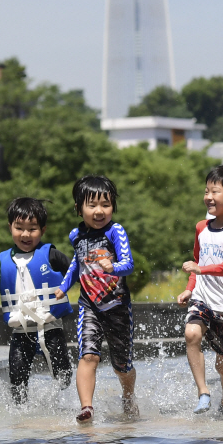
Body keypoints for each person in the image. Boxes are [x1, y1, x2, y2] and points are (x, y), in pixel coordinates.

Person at [0, 198, 73, 403]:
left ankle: (61, 409)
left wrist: (69, 288)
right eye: (19, 228)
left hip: (51, 326)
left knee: (63, 377)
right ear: (10, 227)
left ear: (43, 229)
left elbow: (76, 271)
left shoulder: (51, 255)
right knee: (17, 382)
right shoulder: (3, 260)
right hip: (20, 330)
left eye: (32, 229)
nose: (25, 234)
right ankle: (23, 423)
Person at [54, 176, 136, 423]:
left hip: (117, 306)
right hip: (88, 306)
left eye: (106, 204)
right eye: (92, 205)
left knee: (122, 365)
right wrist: (64, 286)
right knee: (88, 355)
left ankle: (129, 396)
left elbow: (128, 264)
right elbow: (75, 265)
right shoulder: (76, 235)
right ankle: (86, 408)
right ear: (79, 208)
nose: (99, 211)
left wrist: (113, 267)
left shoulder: (115, 231)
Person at [177, 163, 223, 415]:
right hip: (203, 298)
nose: (208, 196)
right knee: (191, 334)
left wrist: (201, 271)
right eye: (206, 190)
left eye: (215, 191)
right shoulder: (201, 227)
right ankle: (203, 391)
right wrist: (190, 288)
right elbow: (197, 264)